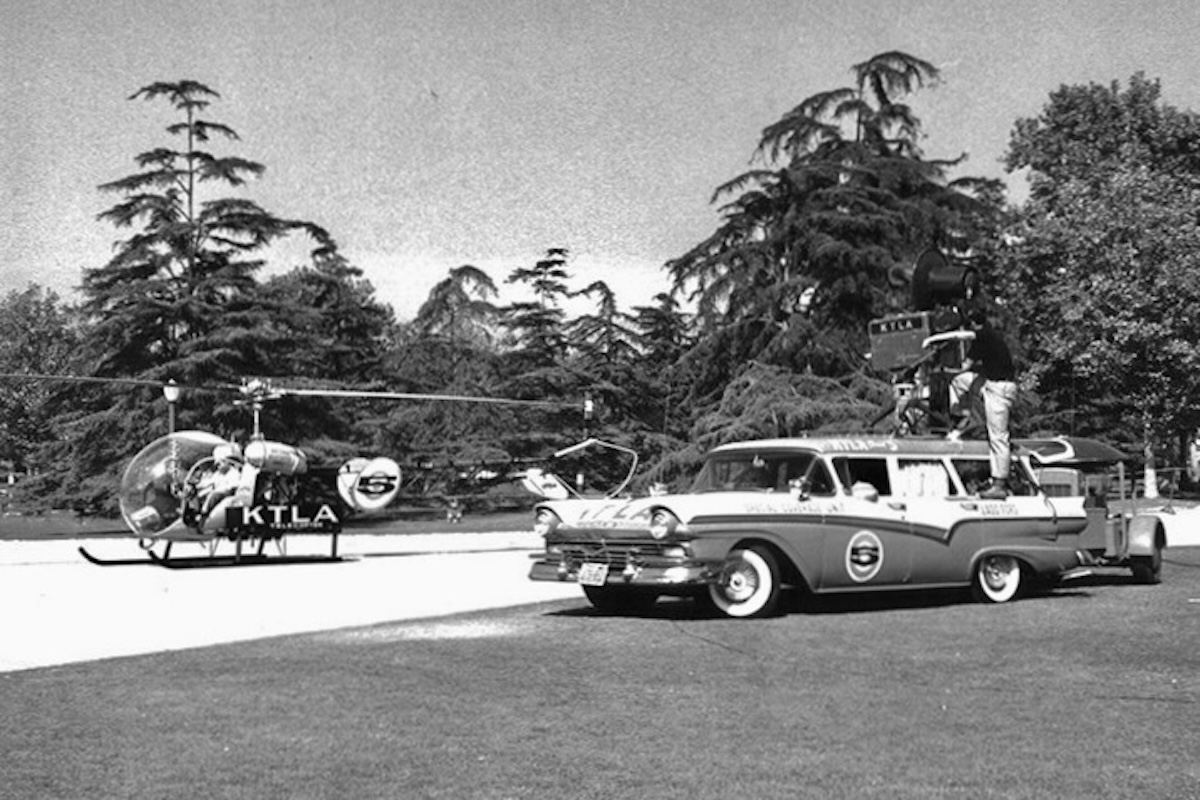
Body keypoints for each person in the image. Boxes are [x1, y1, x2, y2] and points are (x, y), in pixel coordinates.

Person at [950, 306, 1017, 499]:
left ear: (972, 324)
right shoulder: (993, 335)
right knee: (960, 382)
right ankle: (961, 418)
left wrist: (947, 369)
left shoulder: (982, 337)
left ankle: (999, 484)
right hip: (992, 383)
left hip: (998, 390)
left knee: (998, 437)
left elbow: (966, 365)